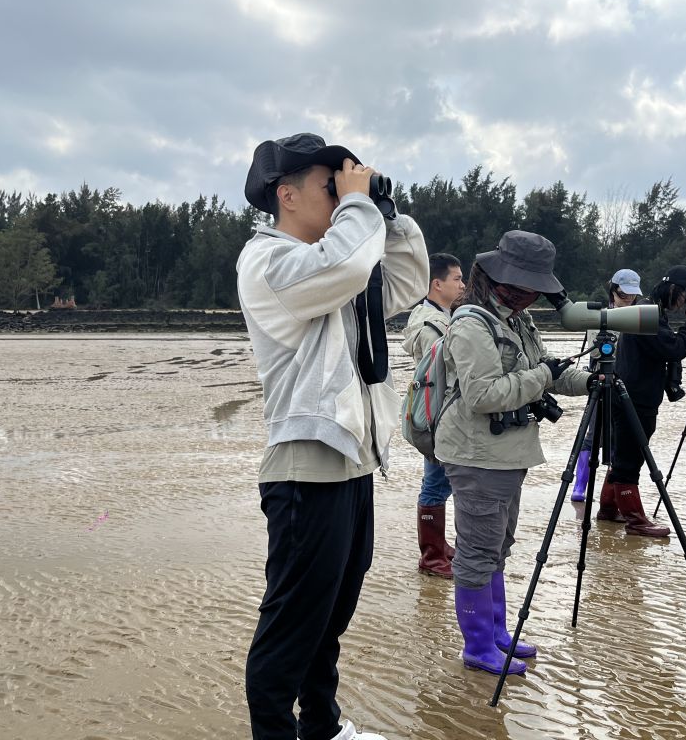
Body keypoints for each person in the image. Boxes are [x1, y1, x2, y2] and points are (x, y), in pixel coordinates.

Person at [238, 132, 428, 740]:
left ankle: (323, 726)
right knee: (292, 625)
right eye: (331, 185)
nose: (345, 193)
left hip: (350, 462)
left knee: (329, 618)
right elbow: (349, 263)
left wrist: (386, 213)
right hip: (304, 469)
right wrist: (360, 209)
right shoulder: (269, 263)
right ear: (286, 195)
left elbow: (404, 284)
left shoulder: (332, 267)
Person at [435, 230, 593, 676]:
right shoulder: (471, 323)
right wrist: (543, 374)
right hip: (476, 455)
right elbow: (483, 395)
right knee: (477, 552)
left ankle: (497, 634)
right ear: (499, 279)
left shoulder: (518, 322)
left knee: (498, 546)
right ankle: (478, 646)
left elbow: (547, 374)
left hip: (507, 454)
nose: (530, 298)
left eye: (534, 290)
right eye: (524, 288)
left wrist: (589, 380)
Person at [600, 265, 686, 537]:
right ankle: (636, 522)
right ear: (674, 290)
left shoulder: (649, 311)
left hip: (632, 393)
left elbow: (670, 345)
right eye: (685, 297)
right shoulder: (647, 315)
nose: (684, 303)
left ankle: (608, 510)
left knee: (623, 454)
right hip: (634, 397)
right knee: (631, 459)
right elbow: (672, 348)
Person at [401, 252, 465, 578]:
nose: (463, 285)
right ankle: (431, 556)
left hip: (436, 411)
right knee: (436, 483)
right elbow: (444, 371)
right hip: (437, 413)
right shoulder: (431, 324)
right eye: (457, 279)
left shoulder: (439, 315)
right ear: (437, 284)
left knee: (441, 481)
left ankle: (438, 547)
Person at [571, 268, 642, 502]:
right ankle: (580, 486)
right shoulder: (599, 317)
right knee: (591, 437)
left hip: (627, 385)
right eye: (624, 294)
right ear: (613, 290)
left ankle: (611, 494)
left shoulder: (641, 318)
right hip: (601, 382)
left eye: (633, 295)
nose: (629, 299)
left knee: (620, 440)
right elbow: (596, 352)